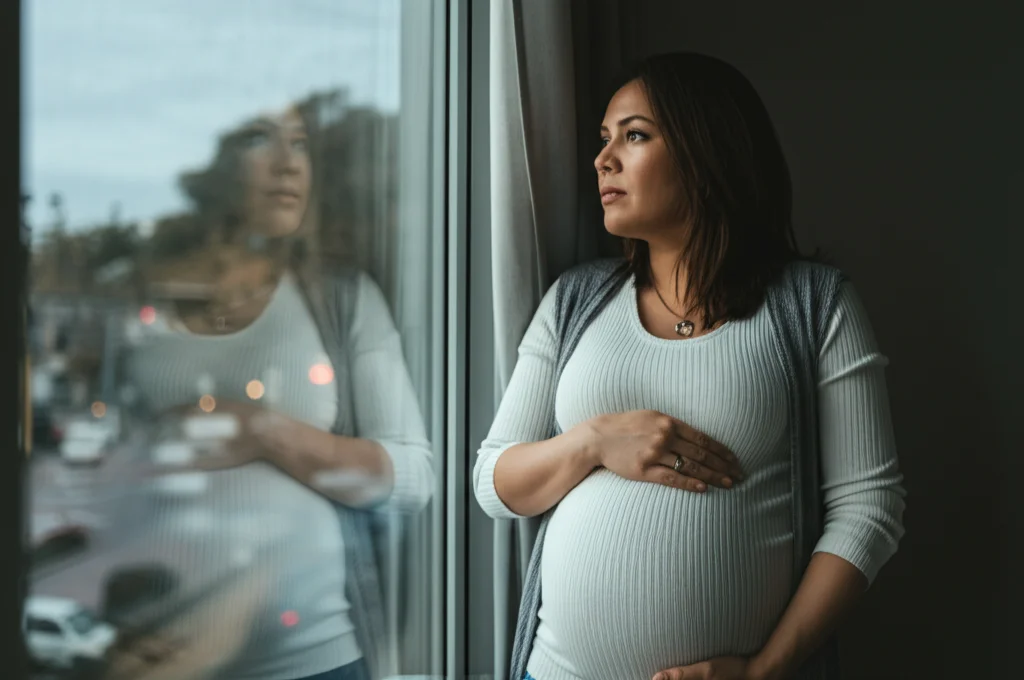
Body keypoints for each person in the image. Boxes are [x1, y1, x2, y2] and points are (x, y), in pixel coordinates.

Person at [473, 52, 906, 680]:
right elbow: (494, 482)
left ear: (708, 155)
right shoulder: (574, 301)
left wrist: (764, 672)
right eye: (603, 139)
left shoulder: (814, 305)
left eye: (635, 135)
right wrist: (594, 442)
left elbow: (870, 508)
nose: (603, 159)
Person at [118, 101, 433, 680]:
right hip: (160, 656)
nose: (290, 165)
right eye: (260, 140)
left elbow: (412, 478)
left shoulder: (340, 300)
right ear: (210, 164)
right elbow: (108, 475)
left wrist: (261, 430)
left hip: (315, 661)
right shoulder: (144, 303)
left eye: (301, 143)